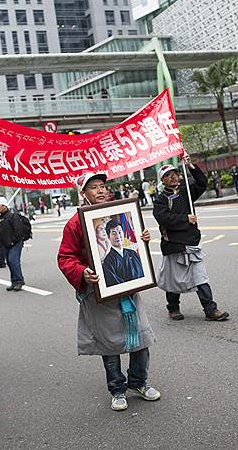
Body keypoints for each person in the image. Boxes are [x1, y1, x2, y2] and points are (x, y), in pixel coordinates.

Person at [57, 172, 159, 412]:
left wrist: (142, 239)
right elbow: (65, 257)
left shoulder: (121, 213)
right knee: (109, 344)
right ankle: (117, 389)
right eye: (93, 188)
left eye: (102, 186)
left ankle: (139, 382)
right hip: (99, 294)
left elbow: (135, 248)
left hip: (128, 291)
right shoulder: (75, 223)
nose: (100, 191)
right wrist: (82, 272)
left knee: (140, 337)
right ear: (83, 194)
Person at [153, 155, 229, 321]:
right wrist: (185, 219)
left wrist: (190, 166)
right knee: (173, 280)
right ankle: (173, 308)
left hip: (191, 242)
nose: (173, 177)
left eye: (175, 173)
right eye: (168, 175)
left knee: (200, 277)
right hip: (173, 245)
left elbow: (202, 183)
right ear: (163, 181)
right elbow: (163, 218)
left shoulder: (186, 191)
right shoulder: (160, 200)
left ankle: (210, 309)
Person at [0, 196, 28, 291]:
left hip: (15, 243)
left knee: (13, 261)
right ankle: (14, 281)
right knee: (10, 263)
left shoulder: (12, 216)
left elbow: (18, 231)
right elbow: (0, 231)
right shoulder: (0, 218)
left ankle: (19, 281)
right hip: (6, 244)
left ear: (4, 206)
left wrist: (12, 241)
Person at [101, 219, 144, 286]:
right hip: (122, 296)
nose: (118, 236)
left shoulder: (132, 253)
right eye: (114, 233)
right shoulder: (108, 261)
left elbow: (141, 272)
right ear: (108, 237)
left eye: (120, 232)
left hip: (138, 289)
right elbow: (113, 282)